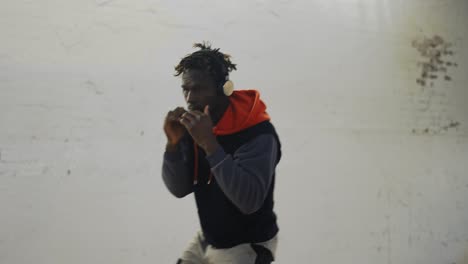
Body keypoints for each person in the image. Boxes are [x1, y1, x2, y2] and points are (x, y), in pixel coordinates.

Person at [162, 42, 282, 264]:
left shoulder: (257, 133)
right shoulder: (197, 125)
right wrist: (173, 146)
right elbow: (180, 189)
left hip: (248, 243)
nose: (189, 99)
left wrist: (209, 144)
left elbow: (249, 200)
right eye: (185, 89)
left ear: (224, 88)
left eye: (198, 89)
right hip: (209, 237)